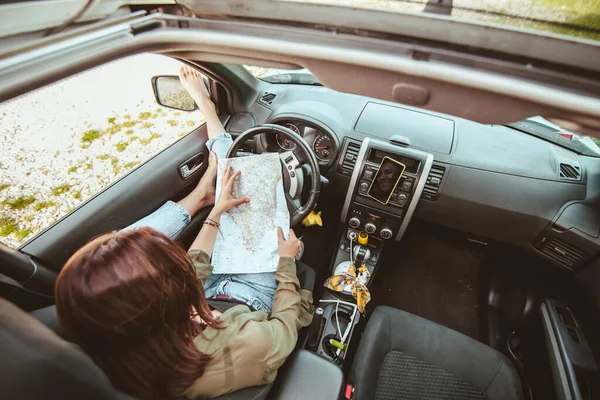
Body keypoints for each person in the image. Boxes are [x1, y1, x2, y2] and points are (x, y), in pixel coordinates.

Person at [54, 66, 314, 400]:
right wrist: (286, 265)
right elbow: (284, 328)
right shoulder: (249, 346)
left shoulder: (127, 349)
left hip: (205, 296)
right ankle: (215, 133)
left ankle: (212, 128)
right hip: (252, 299)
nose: (183, 260)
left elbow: (192, 271)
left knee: (229, 187)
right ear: (166, 303)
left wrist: (216, 214)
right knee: (268, 219)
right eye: (172, 268)